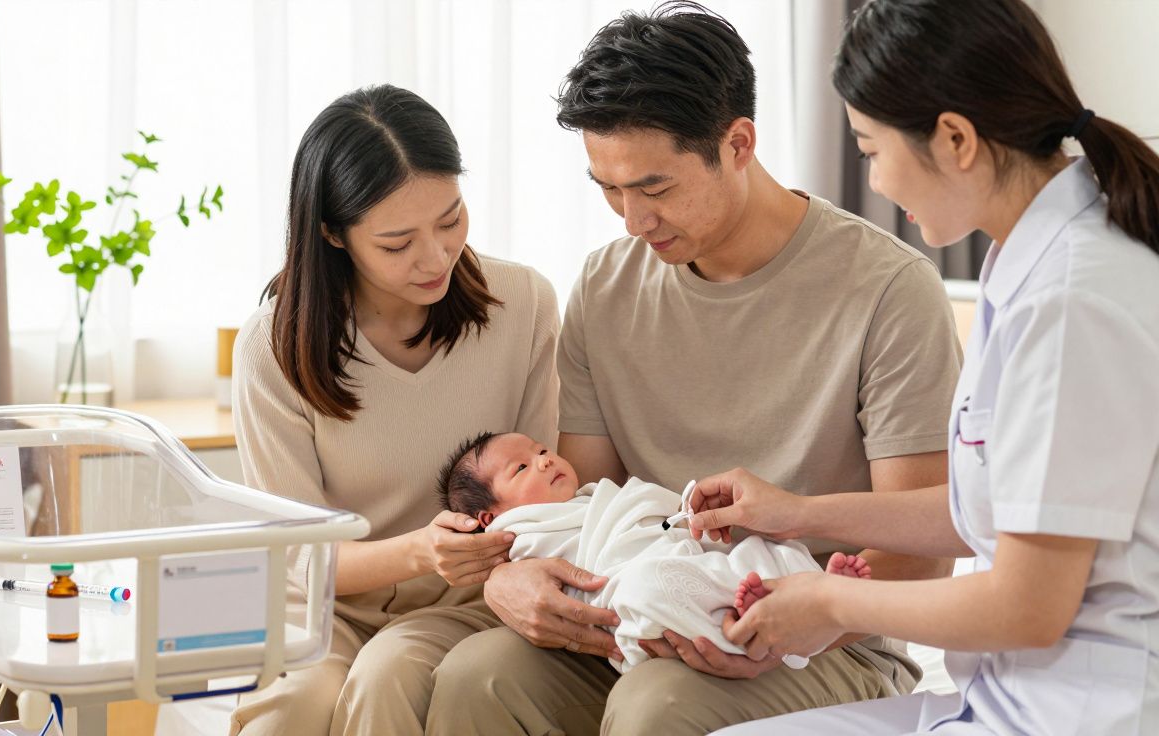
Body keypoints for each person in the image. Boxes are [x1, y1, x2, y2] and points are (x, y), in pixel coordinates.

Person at [426, 3, 963, 733]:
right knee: (475, 677)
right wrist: (508, 576)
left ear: (738, 143)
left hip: (824, 638)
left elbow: (920, 554)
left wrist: (794, 622)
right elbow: (580, 502)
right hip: (637, 611)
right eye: (608, 190)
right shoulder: (606, 286)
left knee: (658, 707)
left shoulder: (889, 290)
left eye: (654, 188)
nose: (631, 220)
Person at [693, 0, 1159, 733]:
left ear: (954, 139)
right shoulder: (1029, 262)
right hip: (1010, 696)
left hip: (1080, 710)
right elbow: (994, 507)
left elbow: (1028, 605)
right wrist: (795, 514)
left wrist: (829, 602)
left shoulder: (1074, 301)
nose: (874, 183)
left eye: (872, 150)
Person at [229, 84, 560, 736]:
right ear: (332, 233)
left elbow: (545, 497)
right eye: (396, 241)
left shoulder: (522, 305)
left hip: (476, 601)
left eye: (450, 219)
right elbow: (300, 560)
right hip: (327, 612)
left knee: (390, 679)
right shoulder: (274, 349)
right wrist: (418, 552)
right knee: (291, 710)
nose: (436, 256)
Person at [436, 430, 872, 673]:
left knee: (757, 547)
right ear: (491, 517)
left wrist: (677, 512)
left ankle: (808, 591)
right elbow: (571, 580)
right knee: (645, 590)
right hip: (629, 585)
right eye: (522, 468)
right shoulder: (522, 536)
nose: (546, 461)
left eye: (542, 450)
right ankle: (749, 617)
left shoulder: (595, 496)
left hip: (686, 559)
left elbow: (647, 515)